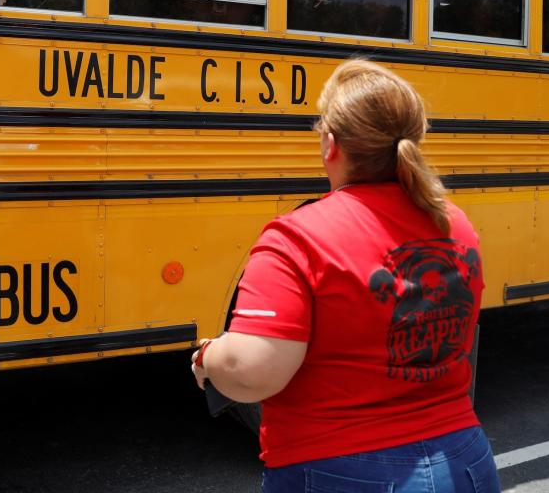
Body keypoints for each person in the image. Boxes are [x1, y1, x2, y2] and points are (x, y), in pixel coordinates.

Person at [191, 59, 500, 493]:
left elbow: (253, 370)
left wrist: (208, 358)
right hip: (465, 461)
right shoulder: (454, 224)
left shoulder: (297, 237)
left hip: (340, 469)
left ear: (331, 145)